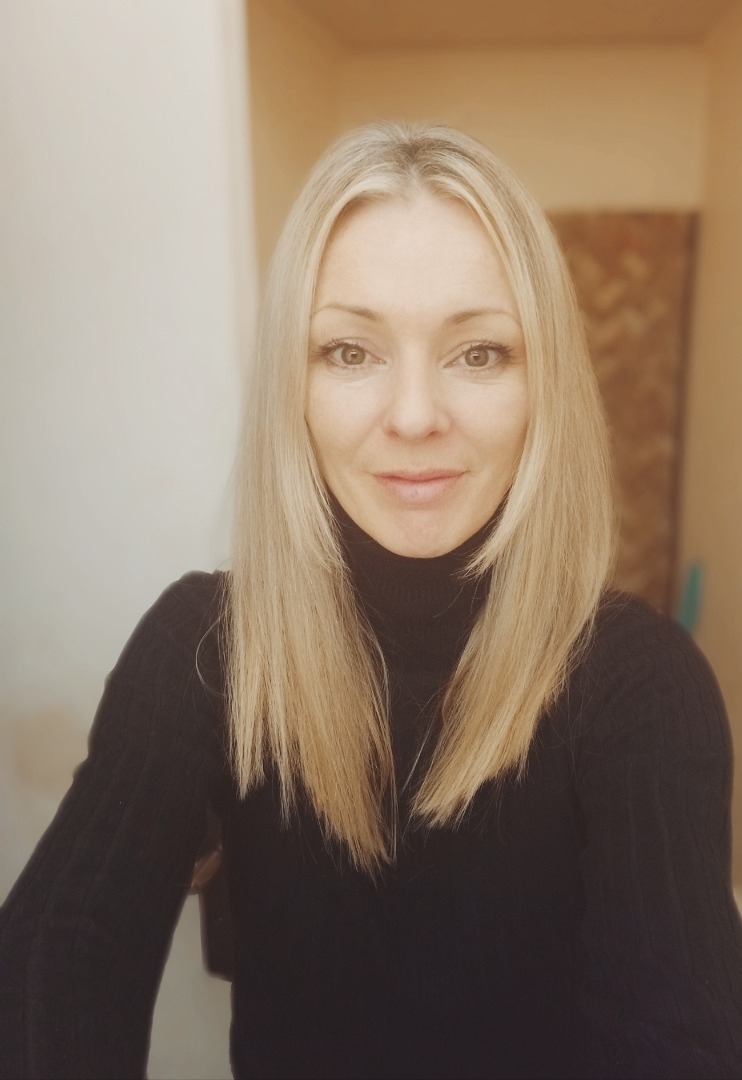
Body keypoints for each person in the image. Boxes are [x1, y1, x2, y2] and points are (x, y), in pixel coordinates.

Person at [1, 121, 741, 1080]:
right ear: (294, 389)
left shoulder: (641, 683)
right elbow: (63, 946)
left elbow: (682, 1031)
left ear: (544, 389)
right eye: (350, 351)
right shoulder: (207, 647)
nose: (415, 415)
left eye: (480, 353)